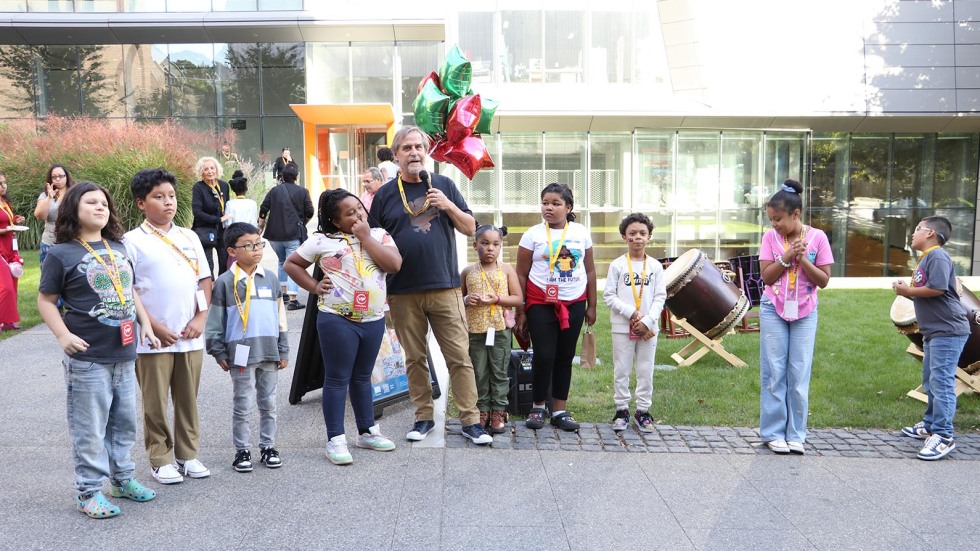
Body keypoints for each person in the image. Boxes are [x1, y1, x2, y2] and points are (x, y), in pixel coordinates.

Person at [37, 181, 161, 519]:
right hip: (87, 357)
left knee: (123, 424)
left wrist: (145, 324)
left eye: (104, 203)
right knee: (89, 427)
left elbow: (130, 290)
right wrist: (63, 336)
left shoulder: (118, 247)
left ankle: (121, 479)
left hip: (124, 353)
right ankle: (88, 492)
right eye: (91, 202)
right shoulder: (62, 254)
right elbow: (45, 301)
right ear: (73, 209)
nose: (100, 207)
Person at [366, 125, 492, 445]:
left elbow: (471, 228)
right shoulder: (384, 195)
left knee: (458, 356)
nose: (414, 153)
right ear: (395, 156)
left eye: (419, 147)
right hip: (402, 290)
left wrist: (447, 205)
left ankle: (470, 420)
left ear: (427, 152)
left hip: (444, 286)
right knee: (414, 357)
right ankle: (423, 417)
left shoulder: (445, 184)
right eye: (406, 148)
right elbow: (372, 242)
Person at [284, 189, 402, 465]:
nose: (359, 214)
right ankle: (335, 439)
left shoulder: (380, 235)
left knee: (362, 377)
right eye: (350, 213)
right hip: (337, 319)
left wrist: (365, 237)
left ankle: (367, 431)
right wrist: (314, 286)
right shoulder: (322, 240)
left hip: (372, 319)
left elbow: (394, 264)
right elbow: (292, 264)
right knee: (337, 379)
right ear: (336, 222)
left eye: (360, 208)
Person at [124, 168, 213, 484]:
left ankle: (188, 455)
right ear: (141, 203)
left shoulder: (189, 236)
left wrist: (201, 318)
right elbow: (128, 288)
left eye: (171, 196)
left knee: (188, 399)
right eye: (158, 197)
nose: (167, 203)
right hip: (153, 338)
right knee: (155, 402)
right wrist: (151, 325)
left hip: (189, 335)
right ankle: (160, 459)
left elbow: (204, 279)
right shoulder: (131, 242)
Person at [758, 178, 833, 455]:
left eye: (778, 219)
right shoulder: (770, 239)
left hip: (805, 312)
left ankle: (796, 435)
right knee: (774, 371)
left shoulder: (818, 238)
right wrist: (787, 255)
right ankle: (773, 433)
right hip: (773, 308)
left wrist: (803, 260)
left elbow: (824, 280)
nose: (774, 224)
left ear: (796, 214)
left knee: (799, 372)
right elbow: (765, 277)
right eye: (771, 219)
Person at [205, 223, 288, 472]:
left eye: (259, 244)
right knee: (242, 404)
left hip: (269, 351)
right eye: (248, 245)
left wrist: (283, 348)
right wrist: (217, 350)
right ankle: (242, 450)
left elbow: (280, 316)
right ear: (232, 251)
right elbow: (215, 321)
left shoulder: (271, 279)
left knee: (269, 403)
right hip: (240, 354)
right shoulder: (224, 283)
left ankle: (268, 446)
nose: (256, 249)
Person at [515, 183, 597, 432]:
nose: (548, 208)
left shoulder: (581, 233)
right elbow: (521, 274)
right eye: (545, 203)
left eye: (555, 203)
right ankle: (538, 407)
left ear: (568, 207)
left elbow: (591, 270)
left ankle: (560, 410)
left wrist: (592, 305)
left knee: (564, 356)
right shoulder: (532, 235)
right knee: (543, 355)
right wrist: (521, 309)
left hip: (573, 302)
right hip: (540, 303)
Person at [895, 216, 968, 461]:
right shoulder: (927, 258)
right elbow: (928, 293)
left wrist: (907, 290)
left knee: (942, 382)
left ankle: (944, 436)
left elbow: (937, 289)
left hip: (948, 330)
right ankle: (930, 424)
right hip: (934, 331)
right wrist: (907, 292)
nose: (913, 233)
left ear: (930, 233)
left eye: (917, 229)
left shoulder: (937, 255)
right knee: (930, 380)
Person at [602, 213, 666, 432]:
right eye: (632, 233)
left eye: (642, 233)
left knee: (645, 369)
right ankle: (621, 410)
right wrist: (630, 313)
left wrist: (648, 320)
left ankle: (643, 411)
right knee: (622, 368)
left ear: (649, 237)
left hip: (648, 328)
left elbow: (660, 297)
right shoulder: (617, 265)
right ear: (624, 237)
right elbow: (609, 295)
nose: (637, 237)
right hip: (623, 326)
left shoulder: (656, 266)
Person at [461, 224, 522, 434]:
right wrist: (467, 299)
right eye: (485, 244)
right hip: (476, 330)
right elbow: (458, 301)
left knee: (499, 370)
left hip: (499, 329)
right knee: (479, 370)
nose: (490, 249)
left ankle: (499, 410)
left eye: (495, 244)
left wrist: (497, 299)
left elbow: (518, 298)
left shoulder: (506, 269)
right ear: (475, 245)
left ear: (501, 246)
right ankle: (482, 409)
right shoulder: (468, 271)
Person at [259, 163, 313, 311]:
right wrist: (303, 223)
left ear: (282, 176)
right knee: (293, 264)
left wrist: (260, 226)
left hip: (274, 236)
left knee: (282, 262)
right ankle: (293, 299)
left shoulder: (274, 191)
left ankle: (283, 295)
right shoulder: (302, 191)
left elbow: (263, 209)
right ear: (296, 177)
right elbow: (310, 211)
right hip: (293, 235)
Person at [191, 156, 231, 278]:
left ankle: (221, 289)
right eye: (206, 169)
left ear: (217, 169)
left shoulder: (224, 185)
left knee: (224, 262)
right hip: (204, 229)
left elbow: (227, 206)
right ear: (201, 172)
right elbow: (197, 212)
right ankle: (209, 290)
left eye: (212, 168)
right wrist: (217, 219)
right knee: (208, 265)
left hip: (221, 230)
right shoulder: (198, 187)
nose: (210, 171)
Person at [34, 164, 75, 267]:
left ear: (66, 176)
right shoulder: (45, 195)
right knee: (48, 277)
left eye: (61, 176)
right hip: (50, 242)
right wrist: (49, 198)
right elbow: (40, 216)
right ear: (50, 179)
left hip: (72, 241)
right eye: (54, 177)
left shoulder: (75, 193)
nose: (57, 179)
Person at [0, 171, 26, 332]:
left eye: (4, 182)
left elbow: (5, 220)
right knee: (5, 286)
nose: (3, 186)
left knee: (13, 282)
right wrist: (4, 230)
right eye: (0, 184)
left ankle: (8, 320)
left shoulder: (4, 201)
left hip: (10, 246)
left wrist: (14, 220)